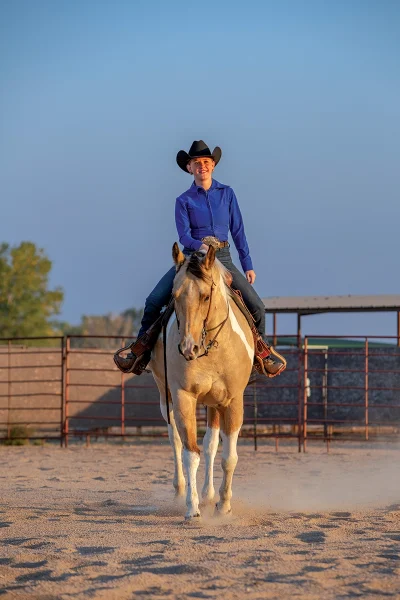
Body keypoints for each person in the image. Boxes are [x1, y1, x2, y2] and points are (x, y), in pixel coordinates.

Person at [114, 140, 285, 378]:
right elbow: (183, 235)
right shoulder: (183, 200)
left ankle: (262, 353)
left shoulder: (227, 194)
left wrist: (247, 264)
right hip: (192, 259)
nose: (202, 166)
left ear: (213, 165)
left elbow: (238, 231)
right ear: (189, 168)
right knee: (154, 300)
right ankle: (140, 350)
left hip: (222, 257)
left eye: (206, 162)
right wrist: (201, 245)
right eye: (197, 163)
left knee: (257, 305)